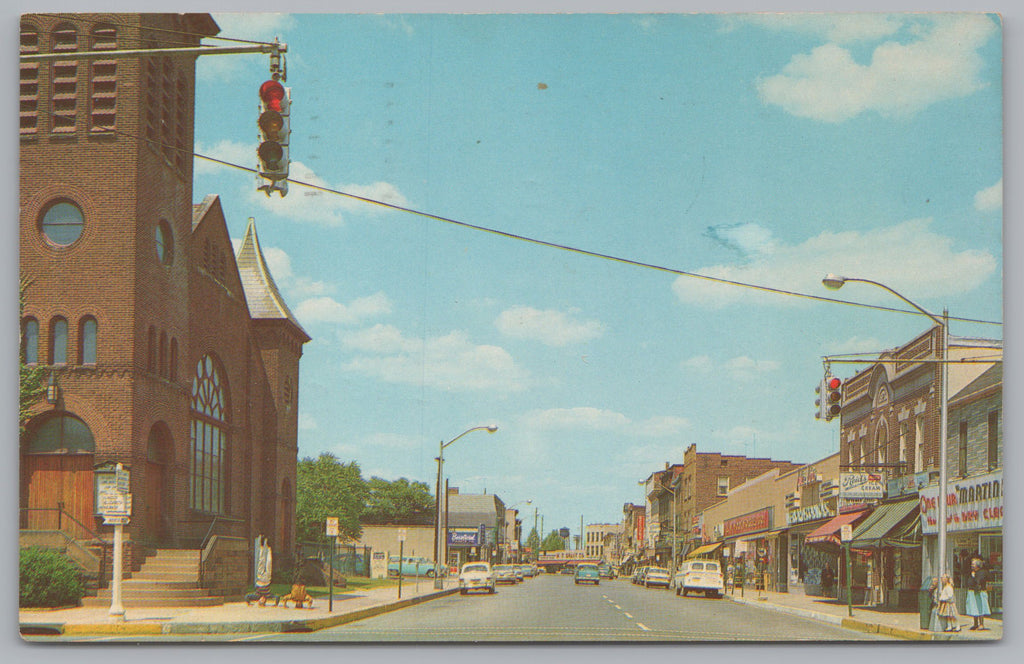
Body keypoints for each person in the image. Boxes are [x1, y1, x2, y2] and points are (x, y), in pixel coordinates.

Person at [246, 536, 279, 607]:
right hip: (267, 579)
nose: (262, 599)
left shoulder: (257, 595)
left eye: (261, 601)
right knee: (269, 562)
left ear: (259, 600)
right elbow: (277, 597)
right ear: (265, 601)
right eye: (263, 601)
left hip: (260, 578)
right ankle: (269, 548)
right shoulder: (268, 595)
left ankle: (261, 547)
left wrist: (249, 604)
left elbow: (247, 597)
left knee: (261, 560)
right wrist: (275, 604)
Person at [965, 556, 991, 630]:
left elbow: (978, 581)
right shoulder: (972, 572)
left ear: (977, 565)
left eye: (973, 564)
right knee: (974, 608)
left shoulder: (982, 572)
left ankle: (981, 624)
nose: (971, 565)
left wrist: (973, 577)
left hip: (979, 592)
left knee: (980, 608)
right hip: (972, 592)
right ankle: (975, 624)